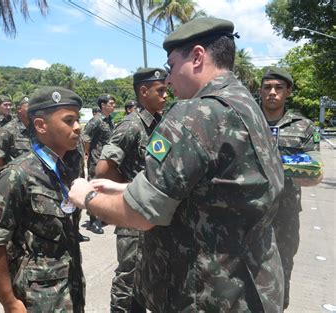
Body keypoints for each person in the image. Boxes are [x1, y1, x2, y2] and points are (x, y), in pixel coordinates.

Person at [69, 17, 285, 312]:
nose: (168, 80)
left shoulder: (196, 112)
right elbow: (213, 189)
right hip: (249, 285)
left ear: (197, 57)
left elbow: (141, 215)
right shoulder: (245, 104)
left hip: (206, 293)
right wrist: (127, 186)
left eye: (171, 66)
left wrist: (87, 198)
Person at [0, 86, 86, 313]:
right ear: (40, 125)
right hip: (38, 297)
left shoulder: (71, 165)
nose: (77, 127)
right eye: (69, 121)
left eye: (77, 119)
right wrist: (8, 301)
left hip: (72, 286)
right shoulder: (17, 174)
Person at [96, 67, 167, 313]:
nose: (166, 95)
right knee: (129, 279)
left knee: (149, 277)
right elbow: (103, 169)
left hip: (152, 214)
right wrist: (129, 192)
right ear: (143, 91)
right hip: (131, 217)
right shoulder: (130, 126)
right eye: (161, 90)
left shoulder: (159, 122)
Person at [259, 66, 323, 310]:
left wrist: (311, 176)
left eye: (278, 87)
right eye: (267, 87)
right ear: (261, 90)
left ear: (288, 91)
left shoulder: (304, 126)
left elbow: (315, 168)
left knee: (283, 267)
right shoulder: (244, 121)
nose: (272, 92)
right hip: (249, 212)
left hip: (285, 214)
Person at [82, 94, 116, 234]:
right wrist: (87, 153)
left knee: (104, 190)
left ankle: (101, 216)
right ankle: (92, 221)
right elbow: (85, 137)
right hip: (96, 160)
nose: (113, 106)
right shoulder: (96, 120)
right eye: (111, 103)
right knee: (94, 189)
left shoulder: (109, 120)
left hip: (106, 160)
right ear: (103, 105)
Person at [0, 96, 30, 169]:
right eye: (28, 106)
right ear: (19, 109)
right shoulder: (7, 130)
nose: (32, 109)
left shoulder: (37, 128)